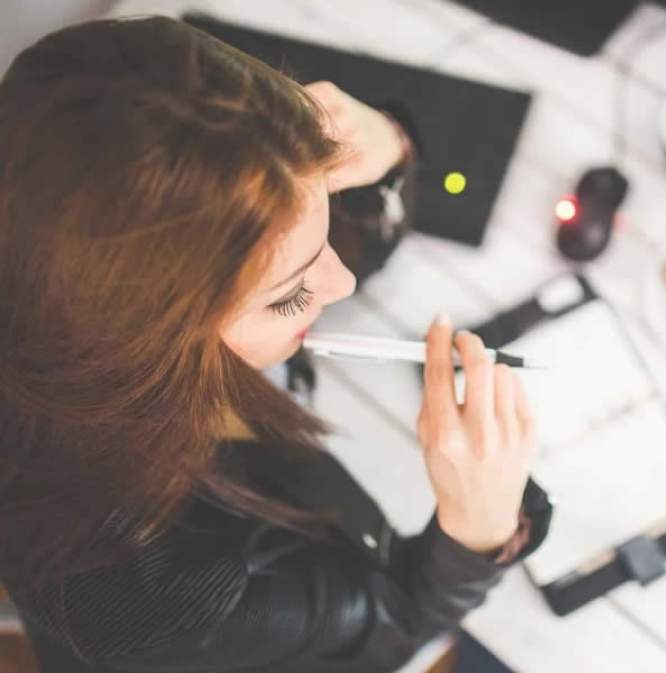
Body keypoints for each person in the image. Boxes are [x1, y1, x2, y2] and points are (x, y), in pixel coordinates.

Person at [0, 15, 551, 673]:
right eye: (288, 296)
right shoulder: (161, 588)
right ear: (151, 340)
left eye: (326, 207)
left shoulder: (71, 251)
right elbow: (389, 632)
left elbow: (303, 244)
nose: (342, 284)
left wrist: (389, 145)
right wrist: (477, 530)